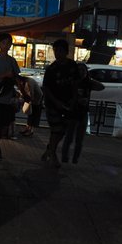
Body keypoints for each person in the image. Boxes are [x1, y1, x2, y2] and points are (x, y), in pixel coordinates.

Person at [42, 39, 79, 168]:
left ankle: (49, 149)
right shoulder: (51, 69)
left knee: (62, 131)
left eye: (60, 51)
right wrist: (55, 102)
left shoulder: (73, 66)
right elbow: (46, 88)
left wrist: (74, 99)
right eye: (56, 51)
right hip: (53, 104)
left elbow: (75, 84)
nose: (58, 53)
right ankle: (52, 154)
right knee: (56, 130)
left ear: (66, 52)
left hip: (68, 103)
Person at [61, 63, 104, 163]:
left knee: (79, 140)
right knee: (69, 137)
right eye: (79, 70)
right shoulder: (72, 82)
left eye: (84, 70)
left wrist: (89, 79)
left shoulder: (88, 83)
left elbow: (101, 87)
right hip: (72, 113)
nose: (82, 72)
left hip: (83, 113)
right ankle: (64, 157)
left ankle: (75, 158)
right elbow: (66, 95)